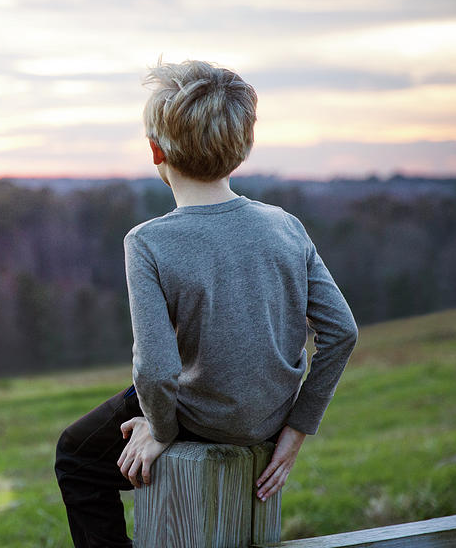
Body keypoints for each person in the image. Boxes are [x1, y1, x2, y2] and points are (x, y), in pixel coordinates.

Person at [54, 59, 358, 548]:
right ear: (243, 148)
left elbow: (155, 370)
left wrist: (161, 430)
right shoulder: (286, 225)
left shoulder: (149, 241)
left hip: (199, 417)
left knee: (75, 456)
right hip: (268, 418)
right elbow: (342, 333)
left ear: (156, 149)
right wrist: (298, 427)